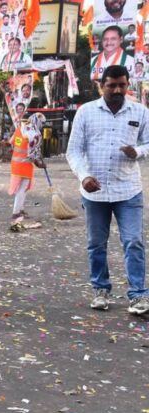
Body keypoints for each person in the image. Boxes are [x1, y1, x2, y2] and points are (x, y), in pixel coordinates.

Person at [66, 65, 149, 316]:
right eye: (112, 85)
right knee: (96, 244)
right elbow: (74, 150)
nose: (117, 90)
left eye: (122, 85)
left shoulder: (140, 112)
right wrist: (84, 176)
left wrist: (138, 151)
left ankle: (138, 295)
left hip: (128, 190)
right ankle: (101, 290)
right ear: (101, 86)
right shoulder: (86, 112)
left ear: (128, 85)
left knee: (133, 241)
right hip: (95, 192)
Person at [8, 113, 46, 223]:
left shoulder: (20, 129)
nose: (42, 126)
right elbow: (33, 155)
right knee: (22, 188)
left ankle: (20, 210)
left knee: (22, 188)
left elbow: (11, 142)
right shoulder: (34, 134)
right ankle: (16, 213)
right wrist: (40, 164)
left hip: (16, 163)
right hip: (24, 165)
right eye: (42, 123)